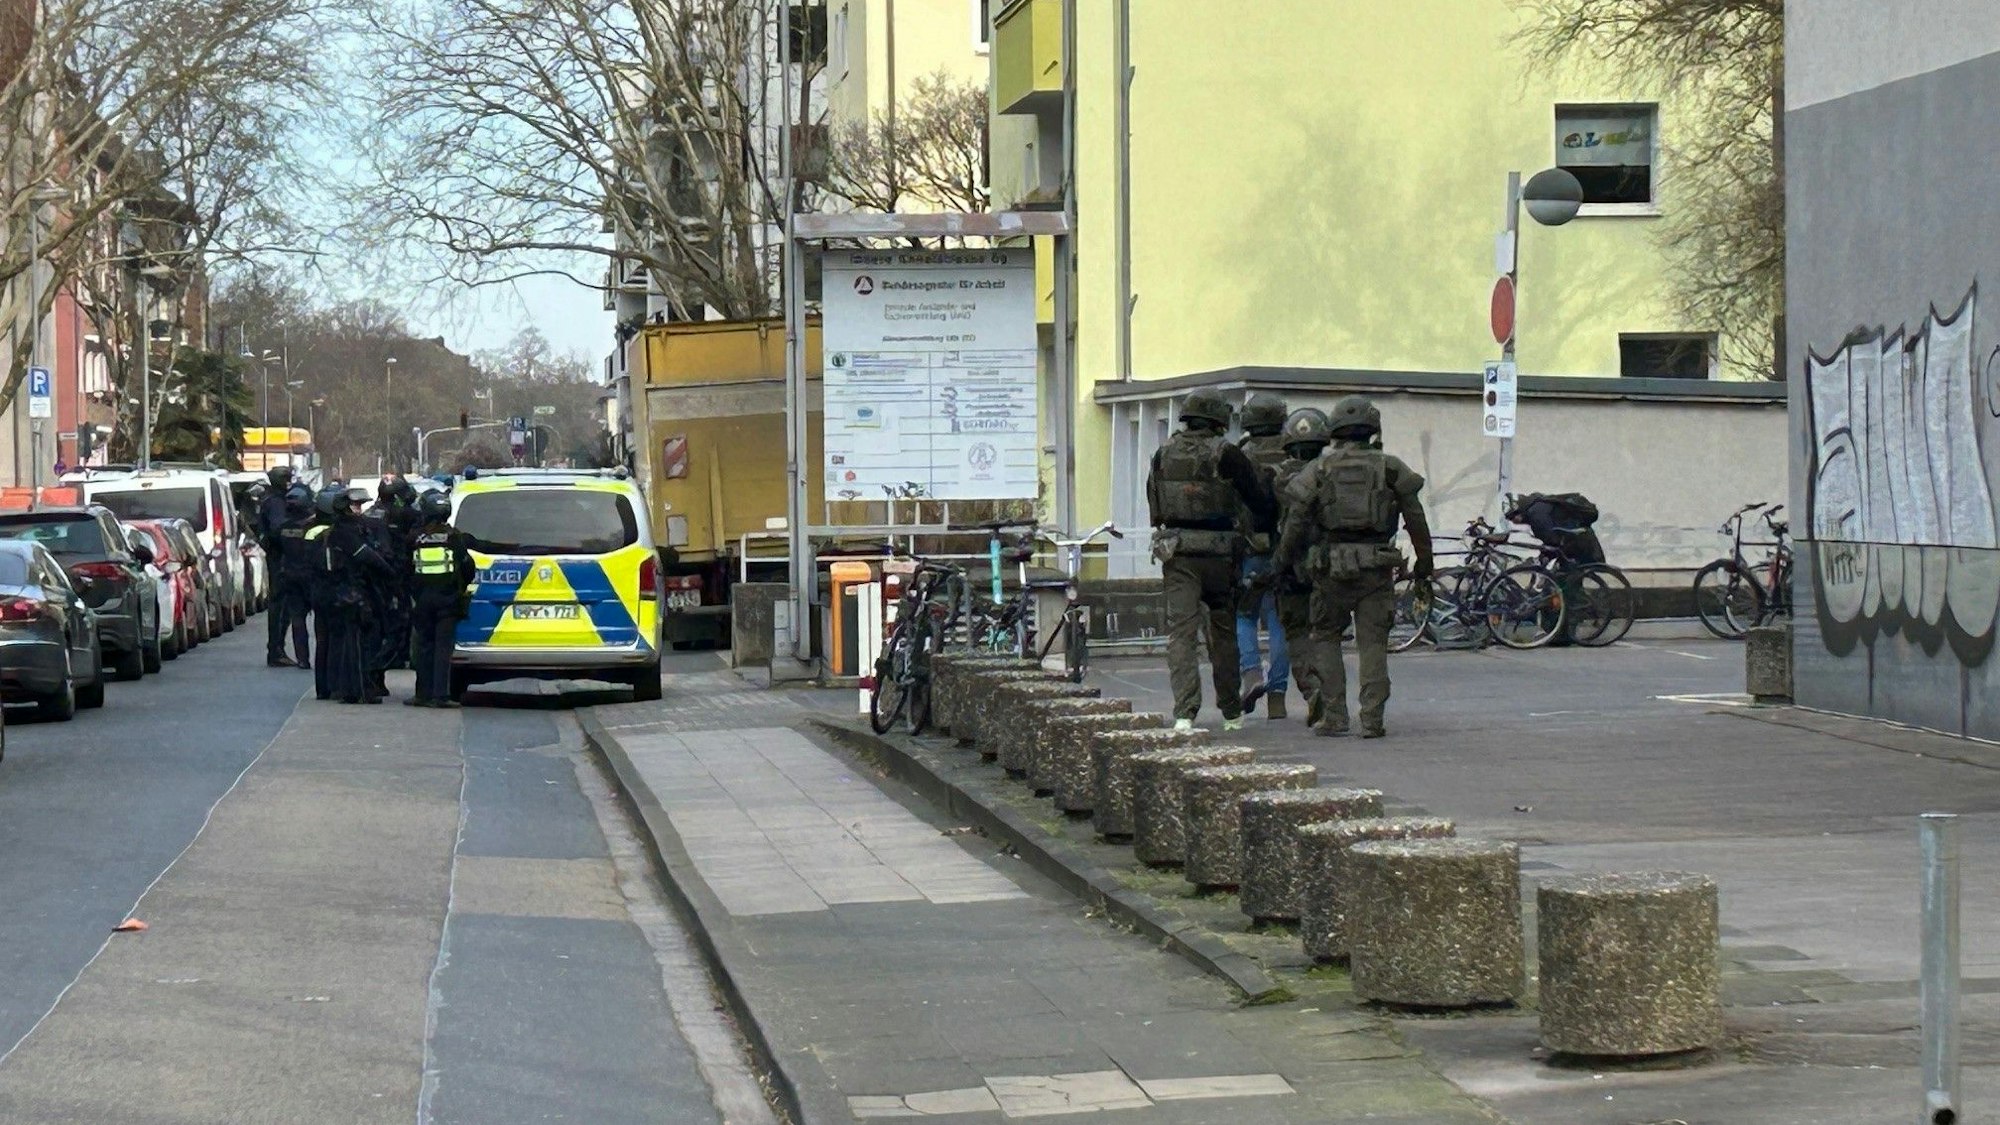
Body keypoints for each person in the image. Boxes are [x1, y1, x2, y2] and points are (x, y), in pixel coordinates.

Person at [1270, 395, 1431, 739]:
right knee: (1372, 642)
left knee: (1325, 637)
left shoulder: (1320, 468)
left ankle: (1335, 716)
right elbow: (1415, 518)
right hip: (1376, 567)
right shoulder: (1390, 466)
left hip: (1330, 568)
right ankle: (1372, 719)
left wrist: (1282, 562)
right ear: (1373, 429)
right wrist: (1424, 563)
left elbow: (1296, 519)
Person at [1146, 390, 1276, 733]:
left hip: (1178, 553)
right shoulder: (1228, 454)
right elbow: (1259, 502)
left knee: (1181, 635)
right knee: (1222, 633)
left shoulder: (1162, 453)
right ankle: (1231, 711)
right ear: (1219, 420)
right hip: (1221, 554)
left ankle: (1185, 713)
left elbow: (1155, 506)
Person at [1267, 407, 1331, 724]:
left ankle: (1312, 689)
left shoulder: (1278, 478)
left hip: (1291, 565)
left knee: (1297, 634)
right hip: (1330, 563)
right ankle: (1332, 696)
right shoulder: (1333, 472)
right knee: (1327, 633)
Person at [1232, 392, 1291, 719]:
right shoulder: (1294, 454)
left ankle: (1251, 673)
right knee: (1280, 620)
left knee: (1244, 616)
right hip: (1286, 549)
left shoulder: (1238, 456)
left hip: (1249, 549)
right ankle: (1278, 695)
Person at [405, 490, 475, 708]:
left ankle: (422, 694)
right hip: (448, 600)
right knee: (443, 648)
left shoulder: (414, 538)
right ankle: (440, 695)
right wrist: (459, 587)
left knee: (424, 647)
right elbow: (467, 566)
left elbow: (405, 567)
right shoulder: (454, 537)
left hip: (422, 599)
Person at [324, 486, 394, 704]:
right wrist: (390, 573)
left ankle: (355, 689)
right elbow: (367, 556)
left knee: (360, 639)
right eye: (355, 506)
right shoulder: (344, 532)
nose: (359, 510)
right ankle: (359, 690)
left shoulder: (355, 528)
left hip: (356, 589)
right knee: (358, 642)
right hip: (350, 591)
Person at [269, 483, 316, 669]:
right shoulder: (312, 527)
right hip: (311, 577)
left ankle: (302, 659)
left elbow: (275, 547)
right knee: (321, 621)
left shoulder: (283, 527)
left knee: (297, 619)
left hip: (290, 575)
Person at [306, 487, 341, 701]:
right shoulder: (333, 532)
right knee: (335, 639)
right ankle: (335, 684)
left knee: (322, 640)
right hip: (332, 589)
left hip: (316, 590)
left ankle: (322, 687)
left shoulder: (309, 530)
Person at [259, 467, 294, 665]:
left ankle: (276, 648)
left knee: (281, 605)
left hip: (277, 558)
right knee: (281, 606)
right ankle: (276, 649)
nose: (288, 483)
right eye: (286, 479)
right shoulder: (275, 502)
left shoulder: (271, 499)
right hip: (280, 559)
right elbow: (278, 529)